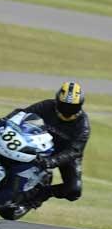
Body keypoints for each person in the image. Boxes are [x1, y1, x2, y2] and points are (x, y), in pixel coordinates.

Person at [8, 81, 90, 212]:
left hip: (64, 153)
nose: (67, 110)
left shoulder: (82, 126)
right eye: (64, 105)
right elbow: (23, 113)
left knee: (74, 190)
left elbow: (74, 151)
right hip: (39, 142)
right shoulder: (47, 106)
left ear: (80, 105)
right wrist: (7, 119)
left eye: (72, 107)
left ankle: (42, 194)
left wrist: (51, 161)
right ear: (57, 101)